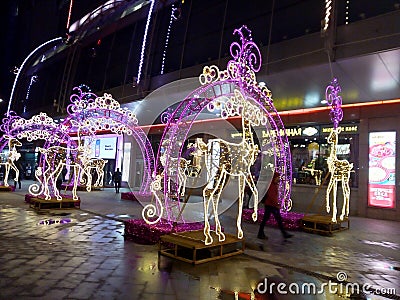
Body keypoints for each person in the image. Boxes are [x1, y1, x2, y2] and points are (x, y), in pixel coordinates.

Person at [257, 172, 293, 240]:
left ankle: (261, 233)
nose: (278, 179)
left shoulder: (274, 185)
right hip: (270, 205)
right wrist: (276, 204)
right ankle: (284, 234)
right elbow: (271, 196)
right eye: (277, 177)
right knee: (274, 219)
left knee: (269, 219)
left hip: (271, 205)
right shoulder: (271, 185)